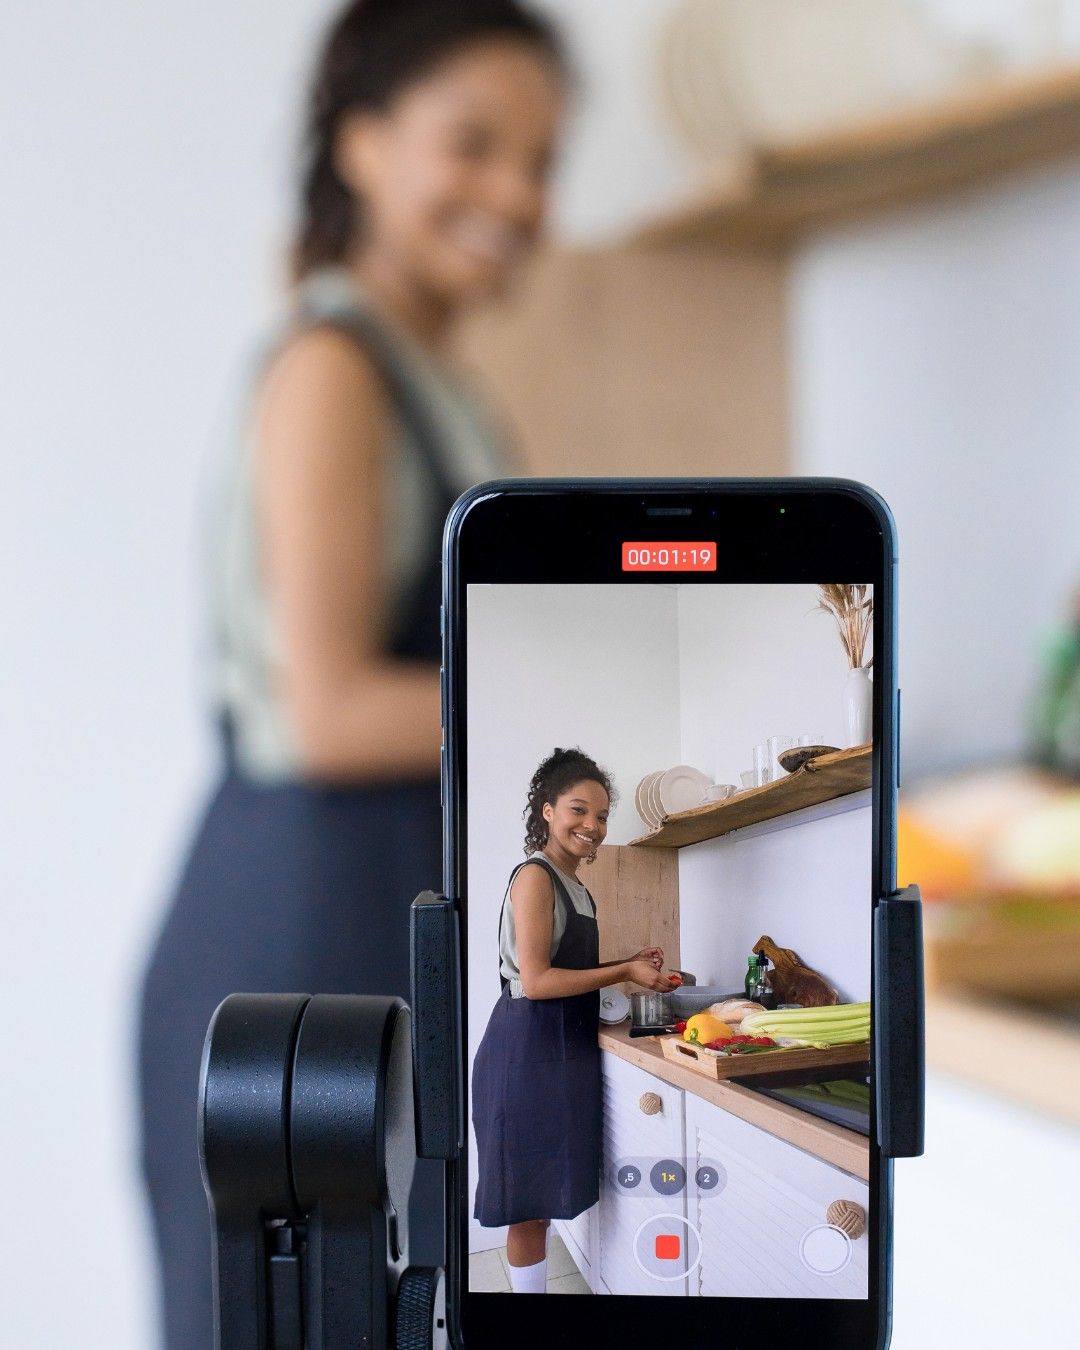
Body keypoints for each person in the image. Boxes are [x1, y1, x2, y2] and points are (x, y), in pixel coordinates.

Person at [136, 3, 568, 1345]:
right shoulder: (334, 364)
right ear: (365, 145)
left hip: (374, 927)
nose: (514, 192)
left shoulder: (438, 378)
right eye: (474, 144)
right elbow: (325, 712)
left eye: (541, 162)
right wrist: (570, 715)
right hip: (293, 936)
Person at [471, 748, 675, 1293]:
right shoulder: (536, 877)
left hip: (560, 1052)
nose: (593, 826)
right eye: (579, 810)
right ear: (546, 811)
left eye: (602, 816)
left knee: (547, 1195)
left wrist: (630, 965)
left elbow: (570, 968)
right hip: (525, 1054)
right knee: (528, 1206)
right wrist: (621, 971)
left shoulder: (577, 886)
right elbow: (536, 981)